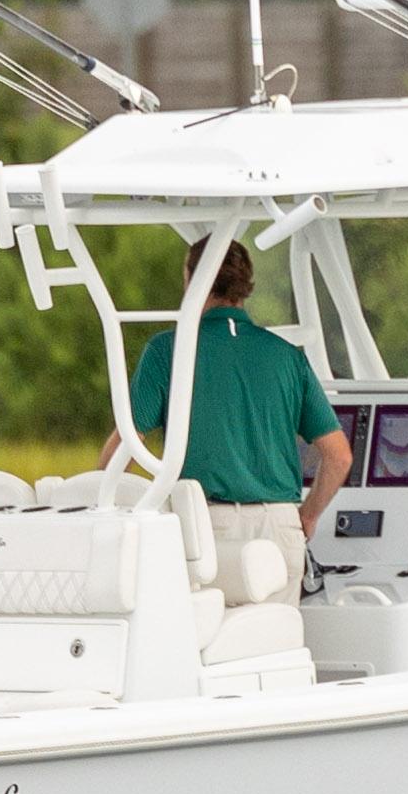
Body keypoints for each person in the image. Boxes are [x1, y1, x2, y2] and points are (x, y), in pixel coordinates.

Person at [131, 239, 350, 599]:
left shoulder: (167, 350)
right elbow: (339, 456)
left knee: (207, 647)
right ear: (244, 284)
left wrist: (107, 507)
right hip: (280, 527)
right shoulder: (287, 357)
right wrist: (307, 516)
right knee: (277, 645)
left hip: (207, 529)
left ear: (192, 279)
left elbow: (129, 443)